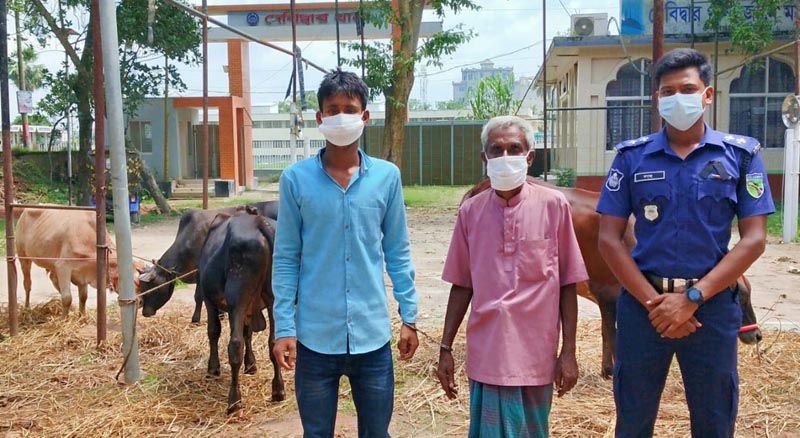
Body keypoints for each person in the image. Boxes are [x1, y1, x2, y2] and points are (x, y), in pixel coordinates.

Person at [596, 48, 775, 437]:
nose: (678, 97)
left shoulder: (741, 155)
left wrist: (691, 300)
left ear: (707, 95)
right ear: (658, 98)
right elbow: (608, 239)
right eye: (668, 91)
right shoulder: (631, 157)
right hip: (645, 310)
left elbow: (754, 239)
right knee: (633, 420)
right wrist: (654, 305)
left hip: (710, 310)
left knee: (714, 421)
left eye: (688, 88)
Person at [271, 69, 419, 438]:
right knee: (316, 433)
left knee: (376, 433)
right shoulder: (295, 179)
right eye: (332, 109)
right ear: (319, 118)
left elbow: (397, 250)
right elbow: (287, 257)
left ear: (365, 117)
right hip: (314, 338)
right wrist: (284, 328)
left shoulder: (387, 177)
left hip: (372, 338)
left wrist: (409, 316)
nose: (341, 117)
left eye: (350, 109)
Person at [436, 115, 589, 437]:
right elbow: (461, 284)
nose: (506, 158)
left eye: (514, 149)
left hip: (536, 355)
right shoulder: (471, 212)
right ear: (485, 159)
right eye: (497, 150)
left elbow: (567, 283)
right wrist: (445, 348)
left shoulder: (554, 206)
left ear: (529, 157)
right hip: (486, 352)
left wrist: (569, 352)